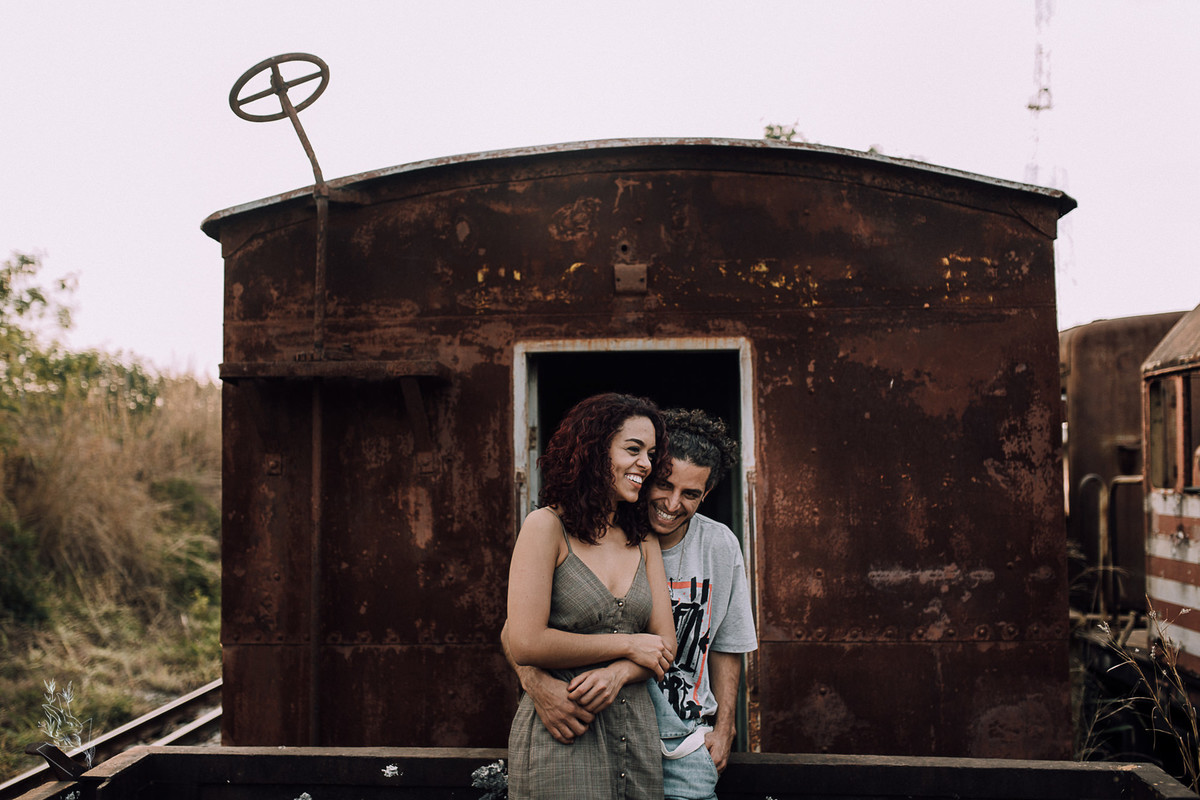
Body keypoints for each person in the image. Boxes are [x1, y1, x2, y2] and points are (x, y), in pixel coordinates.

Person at [509, 408, 756, 800]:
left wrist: (725, 728)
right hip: (582, 722)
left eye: (690, 494)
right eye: (663, 483)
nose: (673, 503)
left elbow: (727, 641)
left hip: (677, 733)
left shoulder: (710, 544)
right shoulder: (559, 528)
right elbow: (519, 633)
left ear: (706, 495)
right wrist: (535, 681)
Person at [504, 393, 678, 800]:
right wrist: (629, 645)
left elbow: (664, 645)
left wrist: (617, 672)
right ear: (593, 450)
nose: (646, 464)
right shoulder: (545, 527)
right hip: (565, 730)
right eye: (632, 450)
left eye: (651, 453)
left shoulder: (643, 539)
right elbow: (525, 641)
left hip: (636, 736)